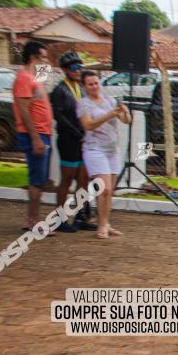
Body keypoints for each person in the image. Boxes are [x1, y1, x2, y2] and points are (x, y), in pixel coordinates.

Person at [76, 70, 130, 239]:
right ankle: (101, 226)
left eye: (96, 83)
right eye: (90, 84)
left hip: (112, 149)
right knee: (104, 189)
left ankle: (106, 223)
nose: (94, 87)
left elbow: (125, 120)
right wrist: (109, 115)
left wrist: (125, 112)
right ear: (84, 86)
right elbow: (88, 125)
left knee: (110, 190)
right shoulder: (84, 104)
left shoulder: (109, 100)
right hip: (94, 148)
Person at [50, 51, 96, 232]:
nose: (78, 71)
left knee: (83, 179)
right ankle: (59, 219)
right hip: (68, 139)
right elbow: (59, 116)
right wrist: (76, 132)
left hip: (83, 139)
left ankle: (81, 216)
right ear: (65, 70)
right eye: (74, 68)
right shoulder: (60, 90)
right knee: (67, 179)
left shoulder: (81, 88)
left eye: (80, 67)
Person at [13, 41, 54, 233]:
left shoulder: (34, 78)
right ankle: (33, 221)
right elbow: (24, 110)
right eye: (43, 57)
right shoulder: (23, 78)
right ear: (33, 58)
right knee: (37, 179)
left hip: (42, 133)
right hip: (35, 135)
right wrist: (36, 138)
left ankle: (31, 219)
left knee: (39, 179)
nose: (46, 61)